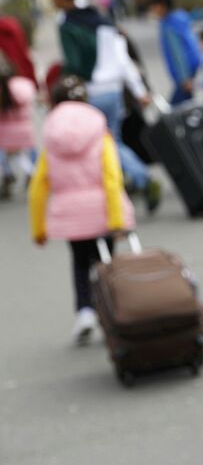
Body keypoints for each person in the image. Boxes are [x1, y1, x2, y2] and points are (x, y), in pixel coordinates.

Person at [28, 74, 135, 344]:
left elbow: (39, 185)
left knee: (79, 262)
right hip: (101, 210)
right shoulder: (99, 131)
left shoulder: (51, 137)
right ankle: (111, 311)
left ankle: (84, 311)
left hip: (70, 213)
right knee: (106, 264)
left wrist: (39, 228)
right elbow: (112, 177)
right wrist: (117, 218)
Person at [49, 0, 160, 213]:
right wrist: (139, 90)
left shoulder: (68, 25)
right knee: (114, 140)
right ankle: (123, 186)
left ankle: (141, 179)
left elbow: (74, 63)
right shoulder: (101, 20)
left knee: (102, 144)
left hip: (92, 92)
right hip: (114, 91)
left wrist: (62, 88)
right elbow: (123, 61)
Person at [149, 0, 201, 106]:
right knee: (187, 104)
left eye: (154, 5)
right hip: (192, 65)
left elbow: (177, 52)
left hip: (184, 71)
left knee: (176, 109)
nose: (152, 9)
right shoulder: (179, 17)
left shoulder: (169, 24)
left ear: (162, 5)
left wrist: (184, 78)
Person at [0, 59, 37, 198]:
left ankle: (8, 175)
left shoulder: (3, 90)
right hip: (24, 130)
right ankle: (31, 173)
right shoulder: (23, 86)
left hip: (5, 132)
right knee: (21, 156)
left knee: (7, 157)